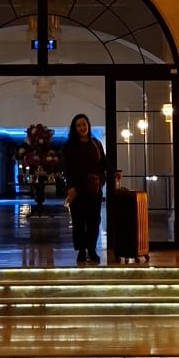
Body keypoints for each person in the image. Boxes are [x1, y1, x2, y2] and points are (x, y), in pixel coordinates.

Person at [62, 113, 109, 265]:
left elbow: (103, 163)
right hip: (76, 190)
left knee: (94, 221)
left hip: (94, 189)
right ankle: (82, 251)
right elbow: (67, 169)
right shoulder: (70, 146)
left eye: (84, 124)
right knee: (79, 222)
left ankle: (92, 249)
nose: (82, 127)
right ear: (75, 128)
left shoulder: (96, 143)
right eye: (79, 125)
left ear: (88, 125)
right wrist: (70, 187)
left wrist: (114, 172)